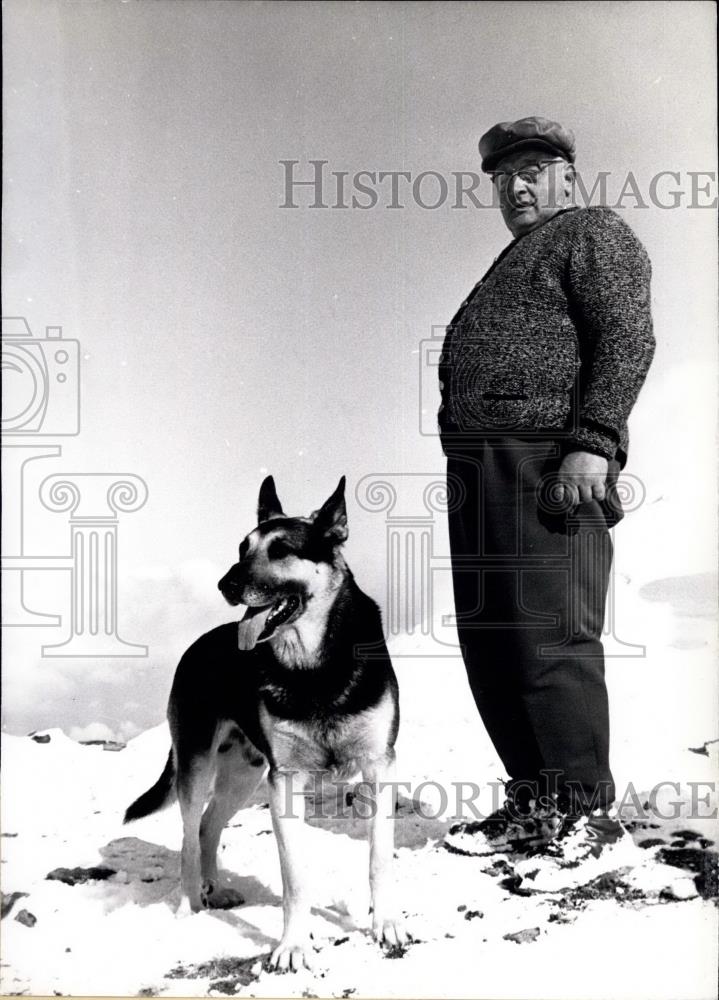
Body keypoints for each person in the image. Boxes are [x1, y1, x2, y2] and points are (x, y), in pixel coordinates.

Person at [438, 116, 655, 883]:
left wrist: (591, 441)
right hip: (480, 467)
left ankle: (585, 816)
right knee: (494, 642)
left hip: (545, 462)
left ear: (567, 175)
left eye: (531, 170)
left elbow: (626, 336)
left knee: (548, 640)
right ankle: (536, 803)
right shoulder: (515, 256)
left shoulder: (590, 231)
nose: (516, 187)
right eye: (502, 177)